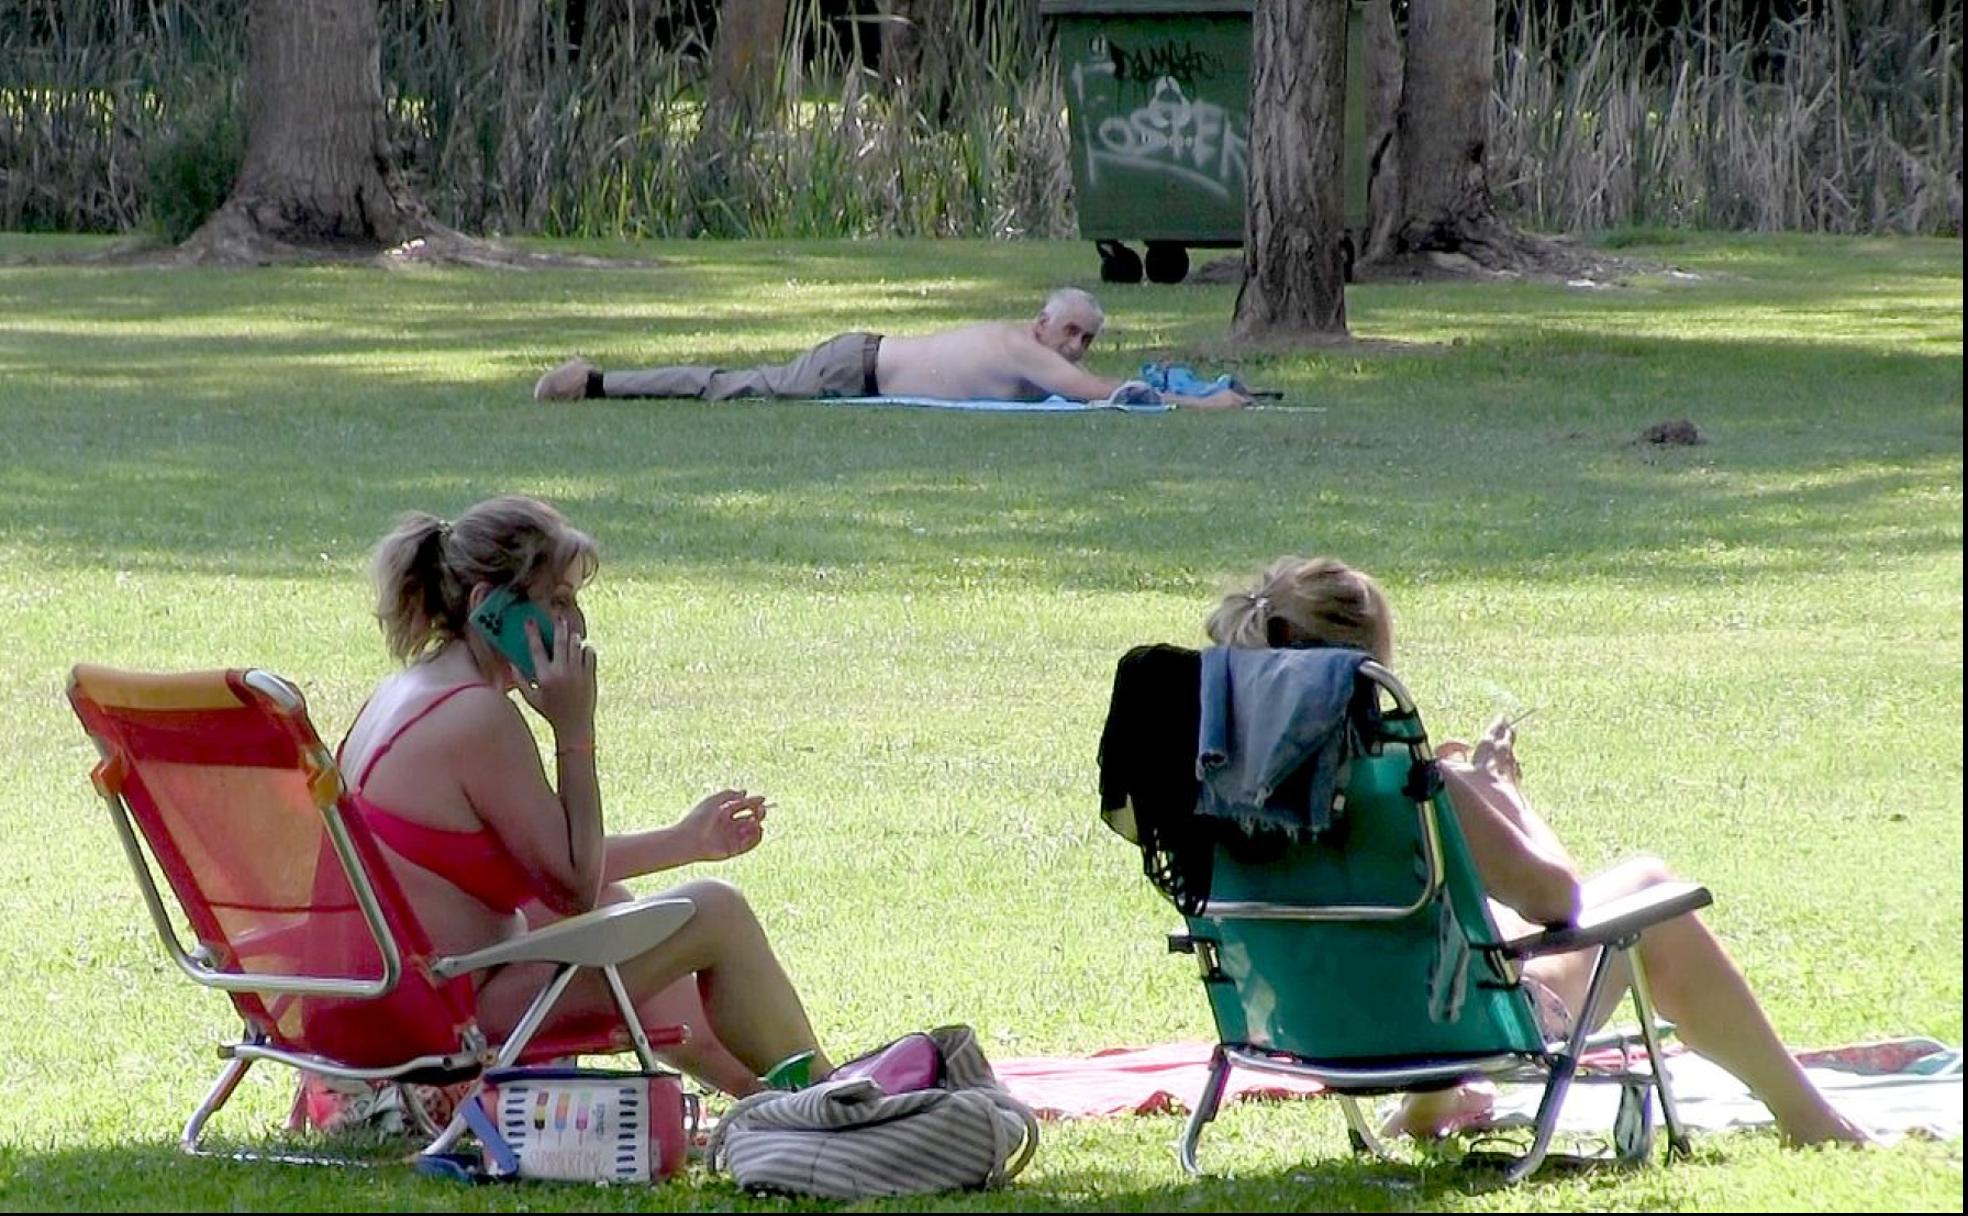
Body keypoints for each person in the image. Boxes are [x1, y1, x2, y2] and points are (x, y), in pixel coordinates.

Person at [1203, 556, 1869, 1147]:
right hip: (1447, 1027)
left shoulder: (1215, 784)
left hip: (1299, 1021)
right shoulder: (1417, 784)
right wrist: (1504, 796)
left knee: (1457, 924)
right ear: (1367, 666)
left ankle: (1440, 1100)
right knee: (1654, 896)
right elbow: (1558, 901)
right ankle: (1809, 1117)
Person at [335, 494, 830, 1097]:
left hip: (382, 1002)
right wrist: (575, 731)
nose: (577, 626)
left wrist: (686, 841)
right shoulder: (477, 717)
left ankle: (758, 1096)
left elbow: (531, 863)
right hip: (443, 1020)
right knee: (715, 911)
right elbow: (569, 885)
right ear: (488, 607)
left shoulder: (407, 691)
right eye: (558, 602)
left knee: (615, 903)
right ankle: (826, 1099)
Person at [531, 287, 1249, 409]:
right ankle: (592, 380)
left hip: (863, 365)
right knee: (726, 386)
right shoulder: (1030, 351)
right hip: (853, 368)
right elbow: (1109, 397)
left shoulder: (1032, 349)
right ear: (1042, 324)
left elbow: (1101, 386)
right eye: (1072, 332)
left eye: (1088, 338)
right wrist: (1204, 403)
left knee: (735, 382)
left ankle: (594, 379)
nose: (1079, 346)